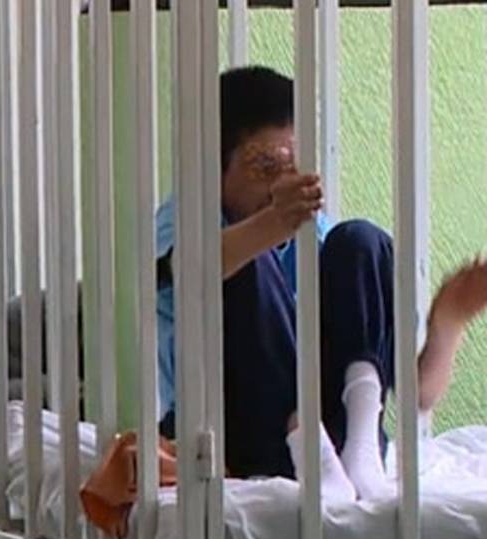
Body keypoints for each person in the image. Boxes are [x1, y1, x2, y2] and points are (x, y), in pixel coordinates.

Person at [156, 66, 487, 500]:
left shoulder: (317, 237)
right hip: (235, 434)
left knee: (360, 238)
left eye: (293, 166)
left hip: (341, 445)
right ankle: (309, 446)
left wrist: (448, 320)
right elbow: (191, 268)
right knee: (243, 260)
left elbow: (419, 394)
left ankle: (360, 446)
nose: (281, 184)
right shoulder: (188, 217)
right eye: (265, 166)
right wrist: (273, 223)